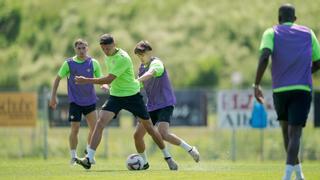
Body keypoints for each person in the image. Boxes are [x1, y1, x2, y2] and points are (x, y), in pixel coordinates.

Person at [74, 34, 178, 170]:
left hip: (132, 96)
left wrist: (86, 80)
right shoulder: (107, 56)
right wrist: (106, 86)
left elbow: (109, 78)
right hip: (116, 96)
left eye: (108, 48)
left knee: (150, 129)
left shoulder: (122, 58)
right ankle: (89, 159)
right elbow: (111, 80)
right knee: (100, 123)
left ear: (114, 45)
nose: (106, 51)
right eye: (103, 49)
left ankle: (168, 157)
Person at [253, 4, 320, 180]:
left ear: (279, 18)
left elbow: (264, 56)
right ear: (295, 19)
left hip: (280, 89)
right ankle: (297, 174)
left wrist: (256, 84)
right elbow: (319, 61)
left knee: (286, 132)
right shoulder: (308, 33)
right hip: (302, 89)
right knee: (294, 133)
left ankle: (290, 176)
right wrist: (303, 72)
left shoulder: (270, 32)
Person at [133, 40, 200, 169]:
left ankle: (190, 149)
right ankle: (144, 163)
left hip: (165, 104)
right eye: (138, 55)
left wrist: (138, 80)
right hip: (151, 106)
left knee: (163, 133)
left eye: (143, 53)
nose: (141, 57)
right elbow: (139, 85)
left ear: (149, 52)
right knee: (137, 135)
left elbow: (151, 73)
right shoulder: (141, 68)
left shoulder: (156, 63)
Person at [49, 39, 103, 165]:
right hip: (75, 102)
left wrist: (104, 85)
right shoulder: (69, 63)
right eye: (79, 48)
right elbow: (57, 79)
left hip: (90, 101)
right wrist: (53, 97)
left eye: (83, 48)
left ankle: (89, 154)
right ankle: (73, 156)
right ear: (75, 49)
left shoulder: (93, 63)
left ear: (87, 48)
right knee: (75, 130)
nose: (81, 50)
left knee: (95, 129)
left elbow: (100, 79)